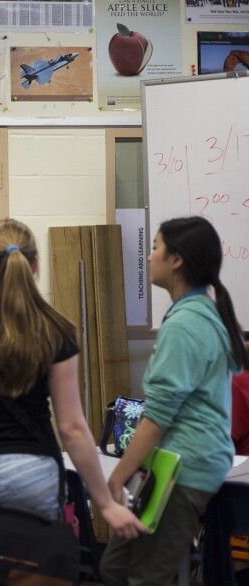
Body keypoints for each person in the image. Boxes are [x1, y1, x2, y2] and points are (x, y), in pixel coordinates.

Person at [0, 218, 146, 583]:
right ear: (35, 265)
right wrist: (104, 503)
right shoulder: (54, 328)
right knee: (28, 567)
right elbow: (71, 428)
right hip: (33, 474)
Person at [100, 216, 249, 586]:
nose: (149, 257)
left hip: (184, 470)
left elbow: (159, 416)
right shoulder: (196, 313)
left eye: (155, 247)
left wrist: (118, 477)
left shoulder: (187, 323)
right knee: (114, 568)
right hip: (174, 464)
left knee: (143, 577)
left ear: (177, 259)